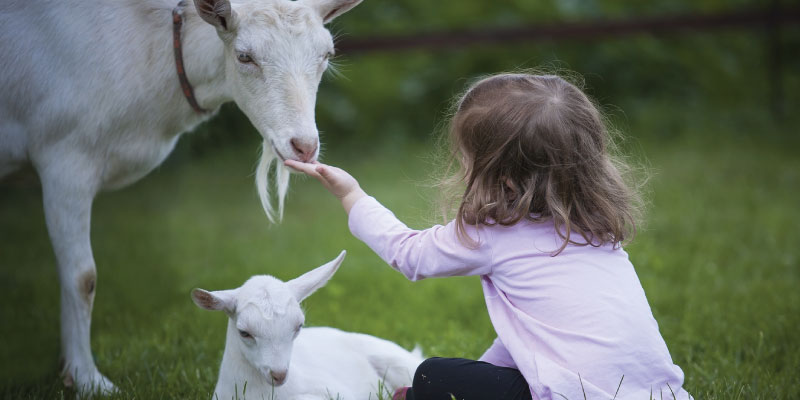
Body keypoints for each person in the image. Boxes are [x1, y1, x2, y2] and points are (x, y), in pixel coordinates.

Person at [285, 73, 692, 400]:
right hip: (661, 394)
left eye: (466, 159)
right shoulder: (598, 232)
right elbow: (530, 338)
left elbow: (408, 253)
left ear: (505, 181)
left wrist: (351, 194)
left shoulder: (496, 233)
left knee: (431, 375)